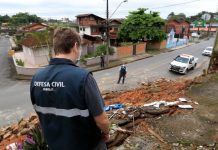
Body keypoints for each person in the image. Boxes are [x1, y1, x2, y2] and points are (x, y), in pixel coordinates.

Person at [30, 28, 110, 150]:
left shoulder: (36, 78)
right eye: (79, 47)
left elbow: (42, 115)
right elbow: (102, 120)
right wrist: (106, 132)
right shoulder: (83, 78)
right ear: (75, 46)